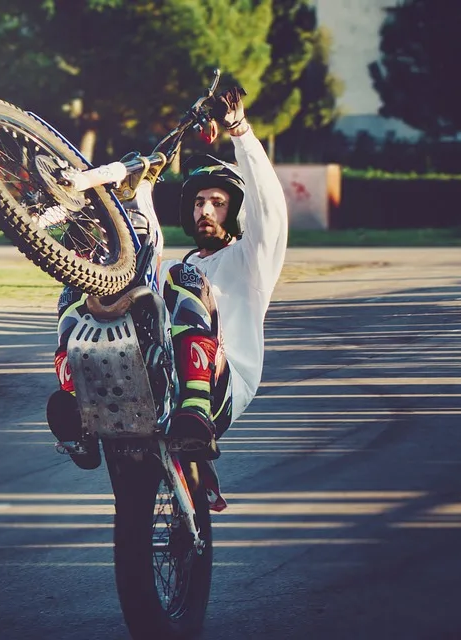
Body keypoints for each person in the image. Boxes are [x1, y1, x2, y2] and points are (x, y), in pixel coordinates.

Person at [46, 88, 288, 507]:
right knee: (88, 285)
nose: (205, 210)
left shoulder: (250, 262)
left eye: (217, 202)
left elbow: (271, 209)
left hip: (219, 388)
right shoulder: (176, 268)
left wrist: (240, 132)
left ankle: (193, 408)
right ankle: (77, 409)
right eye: (198, 202)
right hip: (157, 372)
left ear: (234, 211)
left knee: (179, 274)